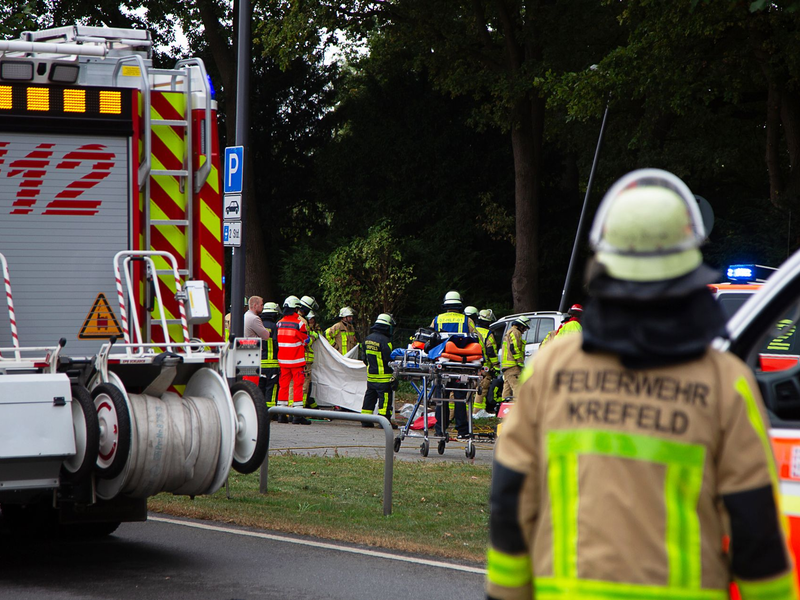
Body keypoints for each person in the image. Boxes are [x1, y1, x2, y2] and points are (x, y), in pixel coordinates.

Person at [486, 169, 798, 600]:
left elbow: (510, 503)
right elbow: (756, 533)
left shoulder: (552, 370)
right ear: (690, 273)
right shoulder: (725, 384)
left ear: (604, 269)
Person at [431, 290, 473, 439]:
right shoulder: (466, 320)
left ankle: (440, 429)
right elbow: (476, 341)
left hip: (442, 365)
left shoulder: (437, 320)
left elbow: (430, 341)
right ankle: (462, 430)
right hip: (460, 365)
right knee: (460, 398)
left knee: (441, 397)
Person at [276, 296, 311, 425]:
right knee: (298, 386)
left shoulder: (279, 323)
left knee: (283, 387)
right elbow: (305, 340)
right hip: (296, 361)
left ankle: (281, 415)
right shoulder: (299, 323)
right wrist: (307, 340)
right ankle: (297, 416)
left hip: (283, 362)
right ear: (296, 309)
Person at [361, 313, 399, 429]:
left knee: (369, 398)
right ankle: (384, 422)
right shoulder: (386, 341)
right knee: (385, 400)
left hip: (371, 377)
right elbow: (390, 359)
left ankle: (365, 420)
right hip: (384, 378)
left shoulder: (367, 339)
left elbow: (364, 359)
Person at [475, 308, 499, 413]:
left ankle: (469, 413)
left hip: (471, 364)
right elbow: (491, 351)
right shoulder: (488, 334)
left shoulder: (472, 330)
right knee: (482, 389)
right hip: (484, 366)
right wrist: (496, 366)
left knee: (470, 390)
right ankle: (477, 412)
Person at [259, 302, 281, 414]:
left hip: (259, 363)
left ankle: (260, 411)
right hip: (272, 364)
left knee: (260, 388)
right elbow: (278, 345)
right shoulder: (275, 327)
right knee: (271, 390)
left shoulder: (258, 325)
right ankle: (271, 413)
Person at [499, 316, 529, 400]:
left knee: (507, 388)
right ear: (521, 325)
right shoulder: (516, 332)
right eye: (525, 328)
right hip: (513, 366)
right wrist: (520, 362)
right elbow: (514, 348)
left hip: (506, 366)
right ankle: (518, 409)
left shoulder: (509, 331)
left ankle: (504, 409)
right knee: (517, 387)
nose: (525, 330)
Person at [303, 310, 321, 409]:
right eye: (310, 319)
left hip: (310, 361)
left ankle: (310, 405)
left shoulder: (315, 329)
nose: (312, 321)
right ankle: (304, 407)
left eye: (313, 319)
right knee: (305, 386)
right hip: (305, 360)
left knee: (308, 385)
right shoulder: (305, 328)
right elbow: (307, 342)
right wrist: (314, 336)